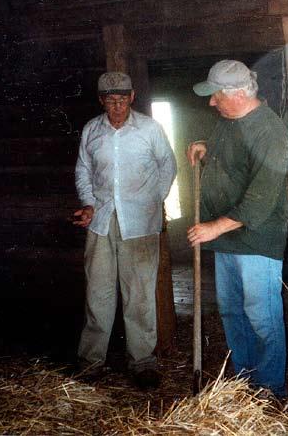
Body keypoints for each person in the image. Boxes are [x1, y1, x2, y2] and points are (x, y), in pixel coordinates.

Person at [186, 60, 288, 399]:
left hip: (257, 239)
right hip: (227, 238)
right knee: (232, 311)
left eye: (216, 96)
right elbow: (232, 158)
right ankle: (245, 380)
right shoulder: (228, 120)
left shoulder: (271, 132)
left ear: (240, 94)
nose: (211, 103)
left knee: (261, 315)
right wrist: (206, 148)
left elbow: (260, 200)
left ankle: (271, 387)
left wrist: (213, 228)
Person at [73, 72, 177, 390]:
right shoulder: (92, 130)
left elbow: (168, 165)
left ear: (131, 98)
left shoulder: (149, 129)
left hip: (141, 224)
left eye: (121, 100)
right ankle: (91, 362)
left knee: (140, 294)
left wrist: (152, 200)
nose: (116, 107)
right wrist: (89, 203)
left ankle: (142, 362)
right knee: (98, 293)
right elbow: (83, 170)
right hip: (101, 222)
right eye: (110, 100)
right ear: (101, 100)